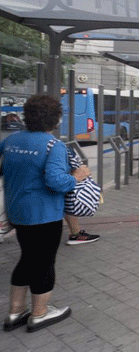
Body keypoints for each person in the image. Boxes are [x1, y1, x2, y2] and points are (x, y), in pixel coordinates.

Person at [2, 94, 90, 332]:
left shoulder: (11, 141)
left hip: (18, 213)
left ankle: (15, 312)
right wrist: (77, 176)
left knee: (27, 259)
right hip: (44, 215)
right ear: (56, 119)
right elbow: (57, 182)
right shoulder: (53, 146)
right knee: (43, 264)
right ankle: (39, 313)